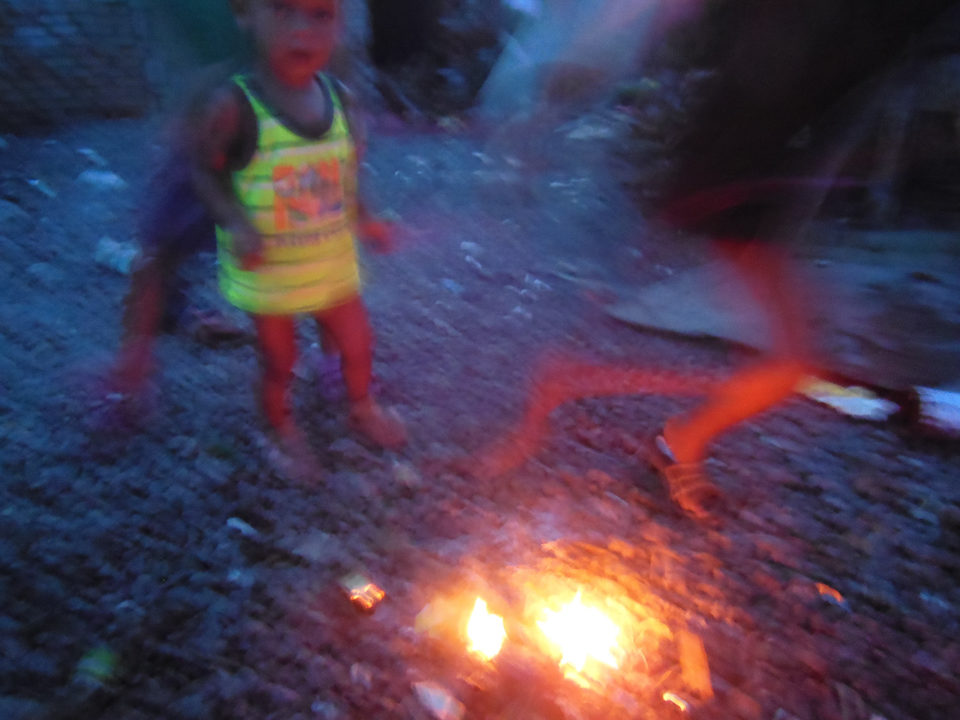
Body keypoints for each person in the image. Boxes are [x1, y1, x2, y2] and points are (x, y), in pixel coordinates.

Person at [475, 0, 956, 521]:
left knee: (786, 363)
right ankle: (577, 387)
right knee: (788, 366)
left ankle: (644, 421)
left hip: (752, 178)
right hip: (735, 179)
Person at [187, 0, 406, 463]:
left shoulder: (342, 100)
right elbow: (206, 170)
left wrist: (368, 218)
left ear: (340, 23)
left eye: (320, 14)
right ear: (247, 13)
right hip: (270, 272)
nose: (302, 30)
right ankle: (278, 425)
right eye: (284, 11)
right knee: (278, 361)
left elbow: (346, 173)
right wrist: (235, 221)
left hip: (332, 266)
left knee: (358, 345)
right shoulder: (234, 106)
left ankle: (361, 407)